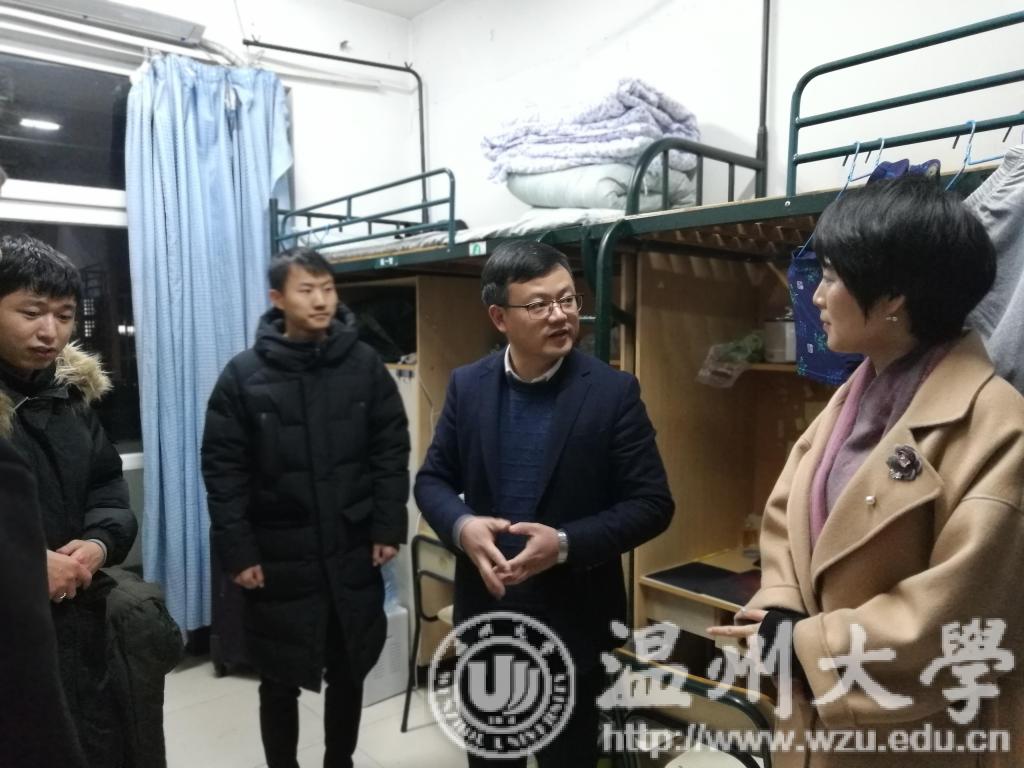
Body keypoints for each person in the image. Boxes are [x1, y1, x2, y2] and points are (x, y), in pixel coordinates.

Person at [709, 178, 1024, 767]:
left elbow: (961, 610)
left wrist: (805, 647)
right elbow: (786, 517)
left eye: (831, 277)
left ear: (893, 298)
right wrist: (782, 607)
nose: (816, 297)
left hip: (919, 734)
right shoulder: (856, 392)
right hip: (818, 720)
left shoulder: (999, 427)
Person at [414, 240, 674, 767]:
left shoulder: (612, 393)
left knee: (569, 758)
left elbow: (652, 503)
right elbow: (433, 480)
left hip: (573, 622)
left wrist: (563, 543)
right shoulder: (469, 386)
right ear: (499, 317)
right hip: (489, 618)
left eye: (568, 299)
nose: (560, 315)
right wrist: (463, 527)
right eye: (538, 304)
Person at [201, 246, 410, 768]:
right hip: (277, 556)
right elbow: (224, 472)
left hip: (351, 546)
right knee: (278, 679)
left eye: (328, 289)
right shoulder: (243, 376)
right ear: (277, 298)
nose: (320, 301)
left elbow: (390, 449)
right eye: (306, 290)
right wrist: (238, 551)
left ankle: (340, 760)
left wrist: (388, 525)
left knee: (349, 668)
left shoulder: (363, 365)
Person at [0, 234, 137, 768]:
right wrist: (25, 567)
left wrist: (99, 544)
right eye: (31, 312)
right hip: (12, 632)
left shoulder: (72, 397)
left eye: (63, 315)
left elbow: (106, 486)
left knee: (92, 736)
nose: (50, 331)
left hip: (80, 616)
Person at [0, 436, 88, 768]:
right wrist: (34, 561)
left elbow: (107, 486)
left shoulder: (76, 411)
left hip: (80, 590)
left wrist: (100, 542)